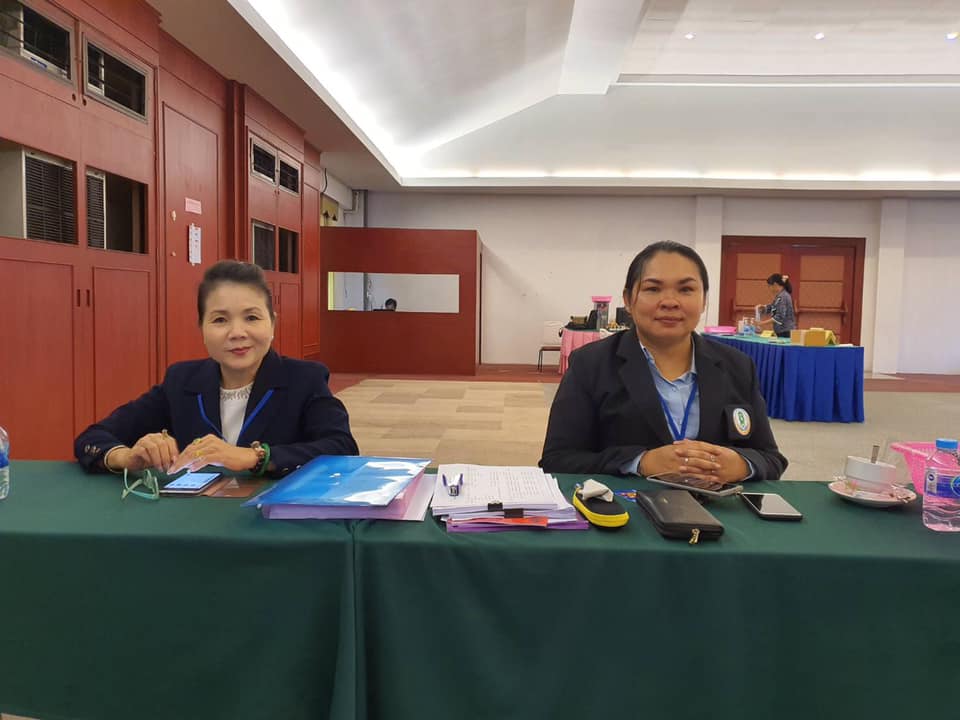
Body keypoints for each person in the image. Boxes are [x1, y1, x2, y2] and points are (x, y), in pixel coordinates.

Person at [75, 260, 359, 477]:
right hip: (196, 523)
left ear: (272, 323)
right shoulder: (181, 381)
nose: (237, 332)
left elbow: (341, 447)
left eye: (251, 317)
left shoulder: (304, 379)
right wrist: (126, 457)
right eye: (220, 320)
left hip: (272, 523)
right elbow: (92, 438)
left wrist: (255, 457)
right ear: (201, 327)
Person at [539, 241, 787, 481]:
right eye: (653, 289)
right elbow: (557, 460)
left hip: (718, 507)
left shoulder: (737, 366)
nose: (670, 302)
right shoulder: (590, 365)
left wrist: (741, 465)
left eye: (686, 289)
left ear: (704, 300)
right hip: (626, 507)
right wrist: (641, 463)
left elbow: (770, 458)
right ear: (628, 299)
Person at [756, 273, 796, 338]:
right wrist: (764, 308)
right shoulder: (780, 296)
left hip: (786, 332)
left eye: (769, 286)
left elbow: (779, 317)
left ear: (775, 284)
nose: (769, 288)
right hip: (782, 331)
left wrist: (761, 323)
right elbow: (774, 307)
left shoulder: (783, 296)